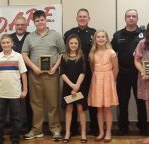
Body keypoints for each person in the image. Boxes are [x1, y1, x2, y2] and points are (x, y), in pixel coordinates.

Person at [22, 10, 65, 141]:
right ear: (33, 22)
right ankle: (36, 129)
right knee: (36, 103)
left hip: (51, 75)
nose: (40, 22)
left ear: (46, 20)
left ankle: (55, 129)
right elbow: (24, 54)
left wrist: (55, 68)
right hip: (34, 75)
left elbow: (63, 53)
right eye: (37, 20)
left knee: (53, 103)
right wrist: (34, 67)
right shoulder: (29, 37)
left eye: (42, 20)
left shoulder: (56, 35)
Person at [111, 9, 149, 135]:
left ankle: (143, 127)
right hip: (122, 73)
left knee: (141, 102)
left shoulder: (144, 34)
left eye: (134, 16)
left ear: (137, 18)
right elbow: (110, 54)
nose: (131, 18)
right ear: (125, 18)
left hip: (140, 73)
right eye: (129, 16)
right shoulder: (118, 35)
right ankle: (123, 128)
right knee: (123, 102)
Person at [63, 8, 98, 136]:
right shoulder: (69, 33)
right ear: (76, 18)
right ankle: (72, 129)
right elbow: (64, 53)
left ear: (89, 18)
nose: (82, 18)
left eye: (85, 16)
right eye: (80, 16)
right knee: (72, 101)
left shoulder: (94, 33)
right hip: (72, 74)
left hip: (90, 72)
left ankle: (94, 128)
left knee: (92, 100)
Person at [0, 34, 28, 144]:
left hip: (15, 93)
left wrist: (25, 90)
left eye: (8, 42)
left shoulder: (18, 56)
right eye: (4, 43)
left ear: (12, 44)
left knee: (16, 117)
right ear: (1, 44)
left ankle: (15, 137)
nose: (6, 44)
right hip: (0, 93)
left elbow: (23, 74)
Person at [88, 30, 119, 142]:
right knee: (99, 109)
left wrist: (112, 81)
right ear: (95, 39)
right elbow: (92, 69)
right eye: (98, 37)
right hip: (96, 80)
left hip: (108, 80)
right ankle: (101, 132)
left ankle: (108, 132)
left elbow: (116, 68)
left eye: (103, 37)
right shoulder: (92, 53)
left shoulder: (111, 52)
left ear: (106, 39)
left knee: (107, 108)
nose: (100, 39)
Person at [60, 34, 87, 143]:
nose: (73, 45)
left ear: (78, 44)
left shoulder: (81, 56)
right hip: (68, 87)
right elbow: (62, 73)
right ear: (68, 44)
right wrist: (72, 85)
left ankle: (83, 133)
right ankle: (67, 132)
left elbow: (83, 72)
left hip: (80, 87)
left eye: (75, 43)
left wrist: (77, 86)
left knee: (80, 109)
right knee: (69, 108)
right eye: (71, 43)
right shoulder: (64, 56)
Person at [10, 16, 32, 132]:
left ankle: (29, 127)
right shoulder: (9, 38)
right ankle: (16, 128)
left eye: (22, 25)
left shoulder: (32, 37)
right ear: (14, 25)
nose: (20, 27)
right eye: (18, 25)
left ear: (26, 25)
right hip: (12, 75)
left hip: (29, 74)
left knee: (29, 102)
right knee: (14, 102)